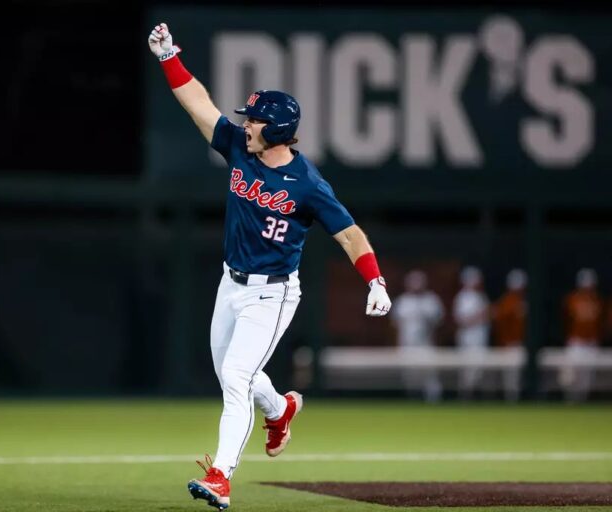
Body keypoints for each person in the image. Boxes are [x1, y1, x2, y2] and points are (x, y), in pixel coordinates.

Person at [148, 23, 392, 510]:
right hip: (230, 282)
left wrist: (375, 279)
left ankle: (221, 476)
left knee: (236, 377)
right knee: (231, 373)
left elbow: (349, 234)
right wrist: (169, 57)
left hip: (273, 293)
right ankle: (281, 409)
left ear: (276, 130)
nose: (247, 125)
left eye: (255, 120)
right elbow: (201, 106)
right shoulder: (240, 147)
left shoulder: (308, 184)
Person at [391, 270, 445, 402]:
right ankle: (412, 400)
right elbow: (395, 324)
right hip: (407, 345)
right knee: (409, 376)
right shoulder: (402, 301)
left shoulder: (431, 300)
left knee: (429, 374)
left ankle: (433, 401)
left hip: (426, 345)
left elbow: (438, 323)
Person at [560, 268, 602, 402]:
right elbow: (565, 320)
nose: (587, 288)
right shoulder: (572, 299)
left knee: (587, 378)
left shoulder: (597, 300)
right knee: (570, 375)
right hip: (576, 342)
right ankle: (570, 399)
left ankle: (583, 401)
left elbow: (602, 323)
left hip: (591, 342)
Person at [452, 266, 491, 400]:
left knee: (480, 366)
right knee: (467, 367)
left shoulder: (482, 297)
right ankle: (466, 395)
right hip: (467, 338)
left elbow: (487, 317)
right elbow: (461, 320)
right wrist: (478, 316)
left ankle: (478, 395)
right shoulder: (462, 297)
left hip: (480, 337)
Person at [491, 269, 528, 401]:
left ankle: (515, 399)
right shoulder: (506, 301)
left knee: (517, 377)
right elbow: (500, 324)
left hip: (520, 343)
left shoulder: (523, 301)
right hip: (509, 343)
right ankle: (511, 401)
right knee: (511, 377)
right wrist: (504, 341)